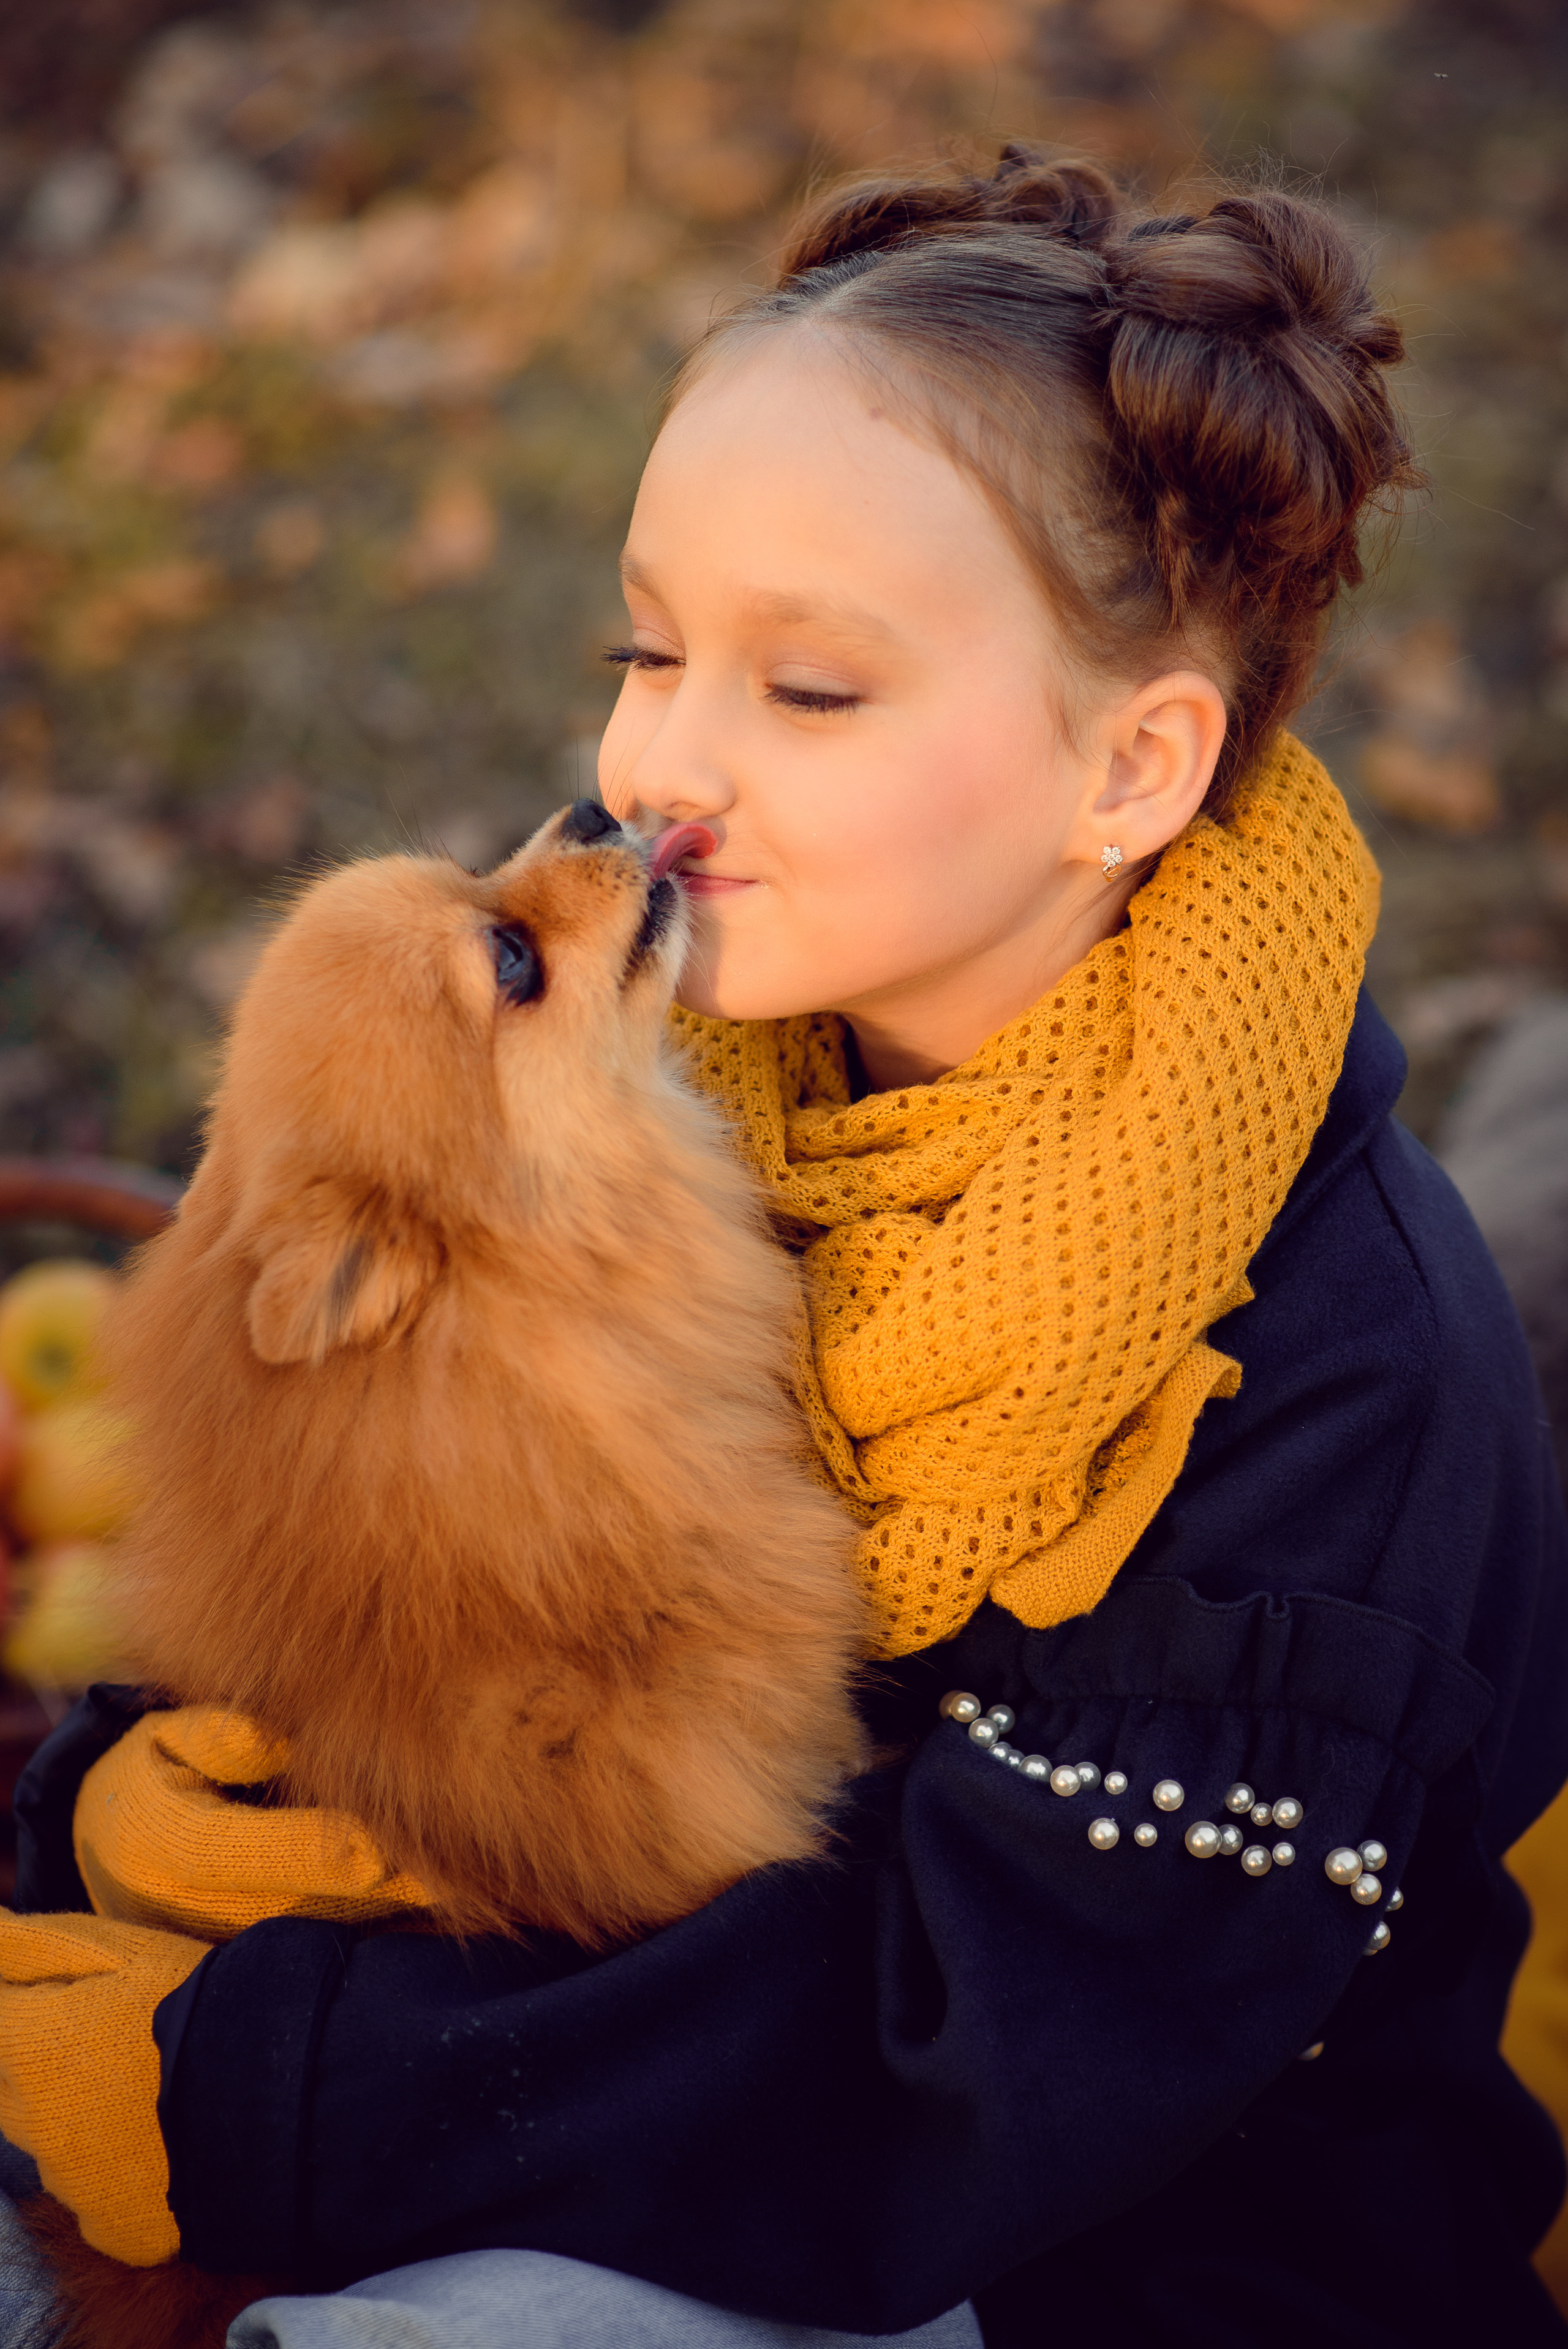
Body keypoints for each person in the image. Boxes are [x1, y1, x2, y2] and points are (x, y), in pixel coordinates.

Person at [1, 145, 1566, 2349]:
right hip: (630, 2101)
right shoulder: (706, 1083)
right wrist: (146, 1821)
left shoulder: (1331, 1370)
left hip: (1119, 2256)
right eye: (649, 651)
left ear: (1132, 770)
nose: (659, 773)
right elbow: (392, 1566)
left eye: (808, 692)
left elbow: (954, 2068)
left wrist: (259, 2075)